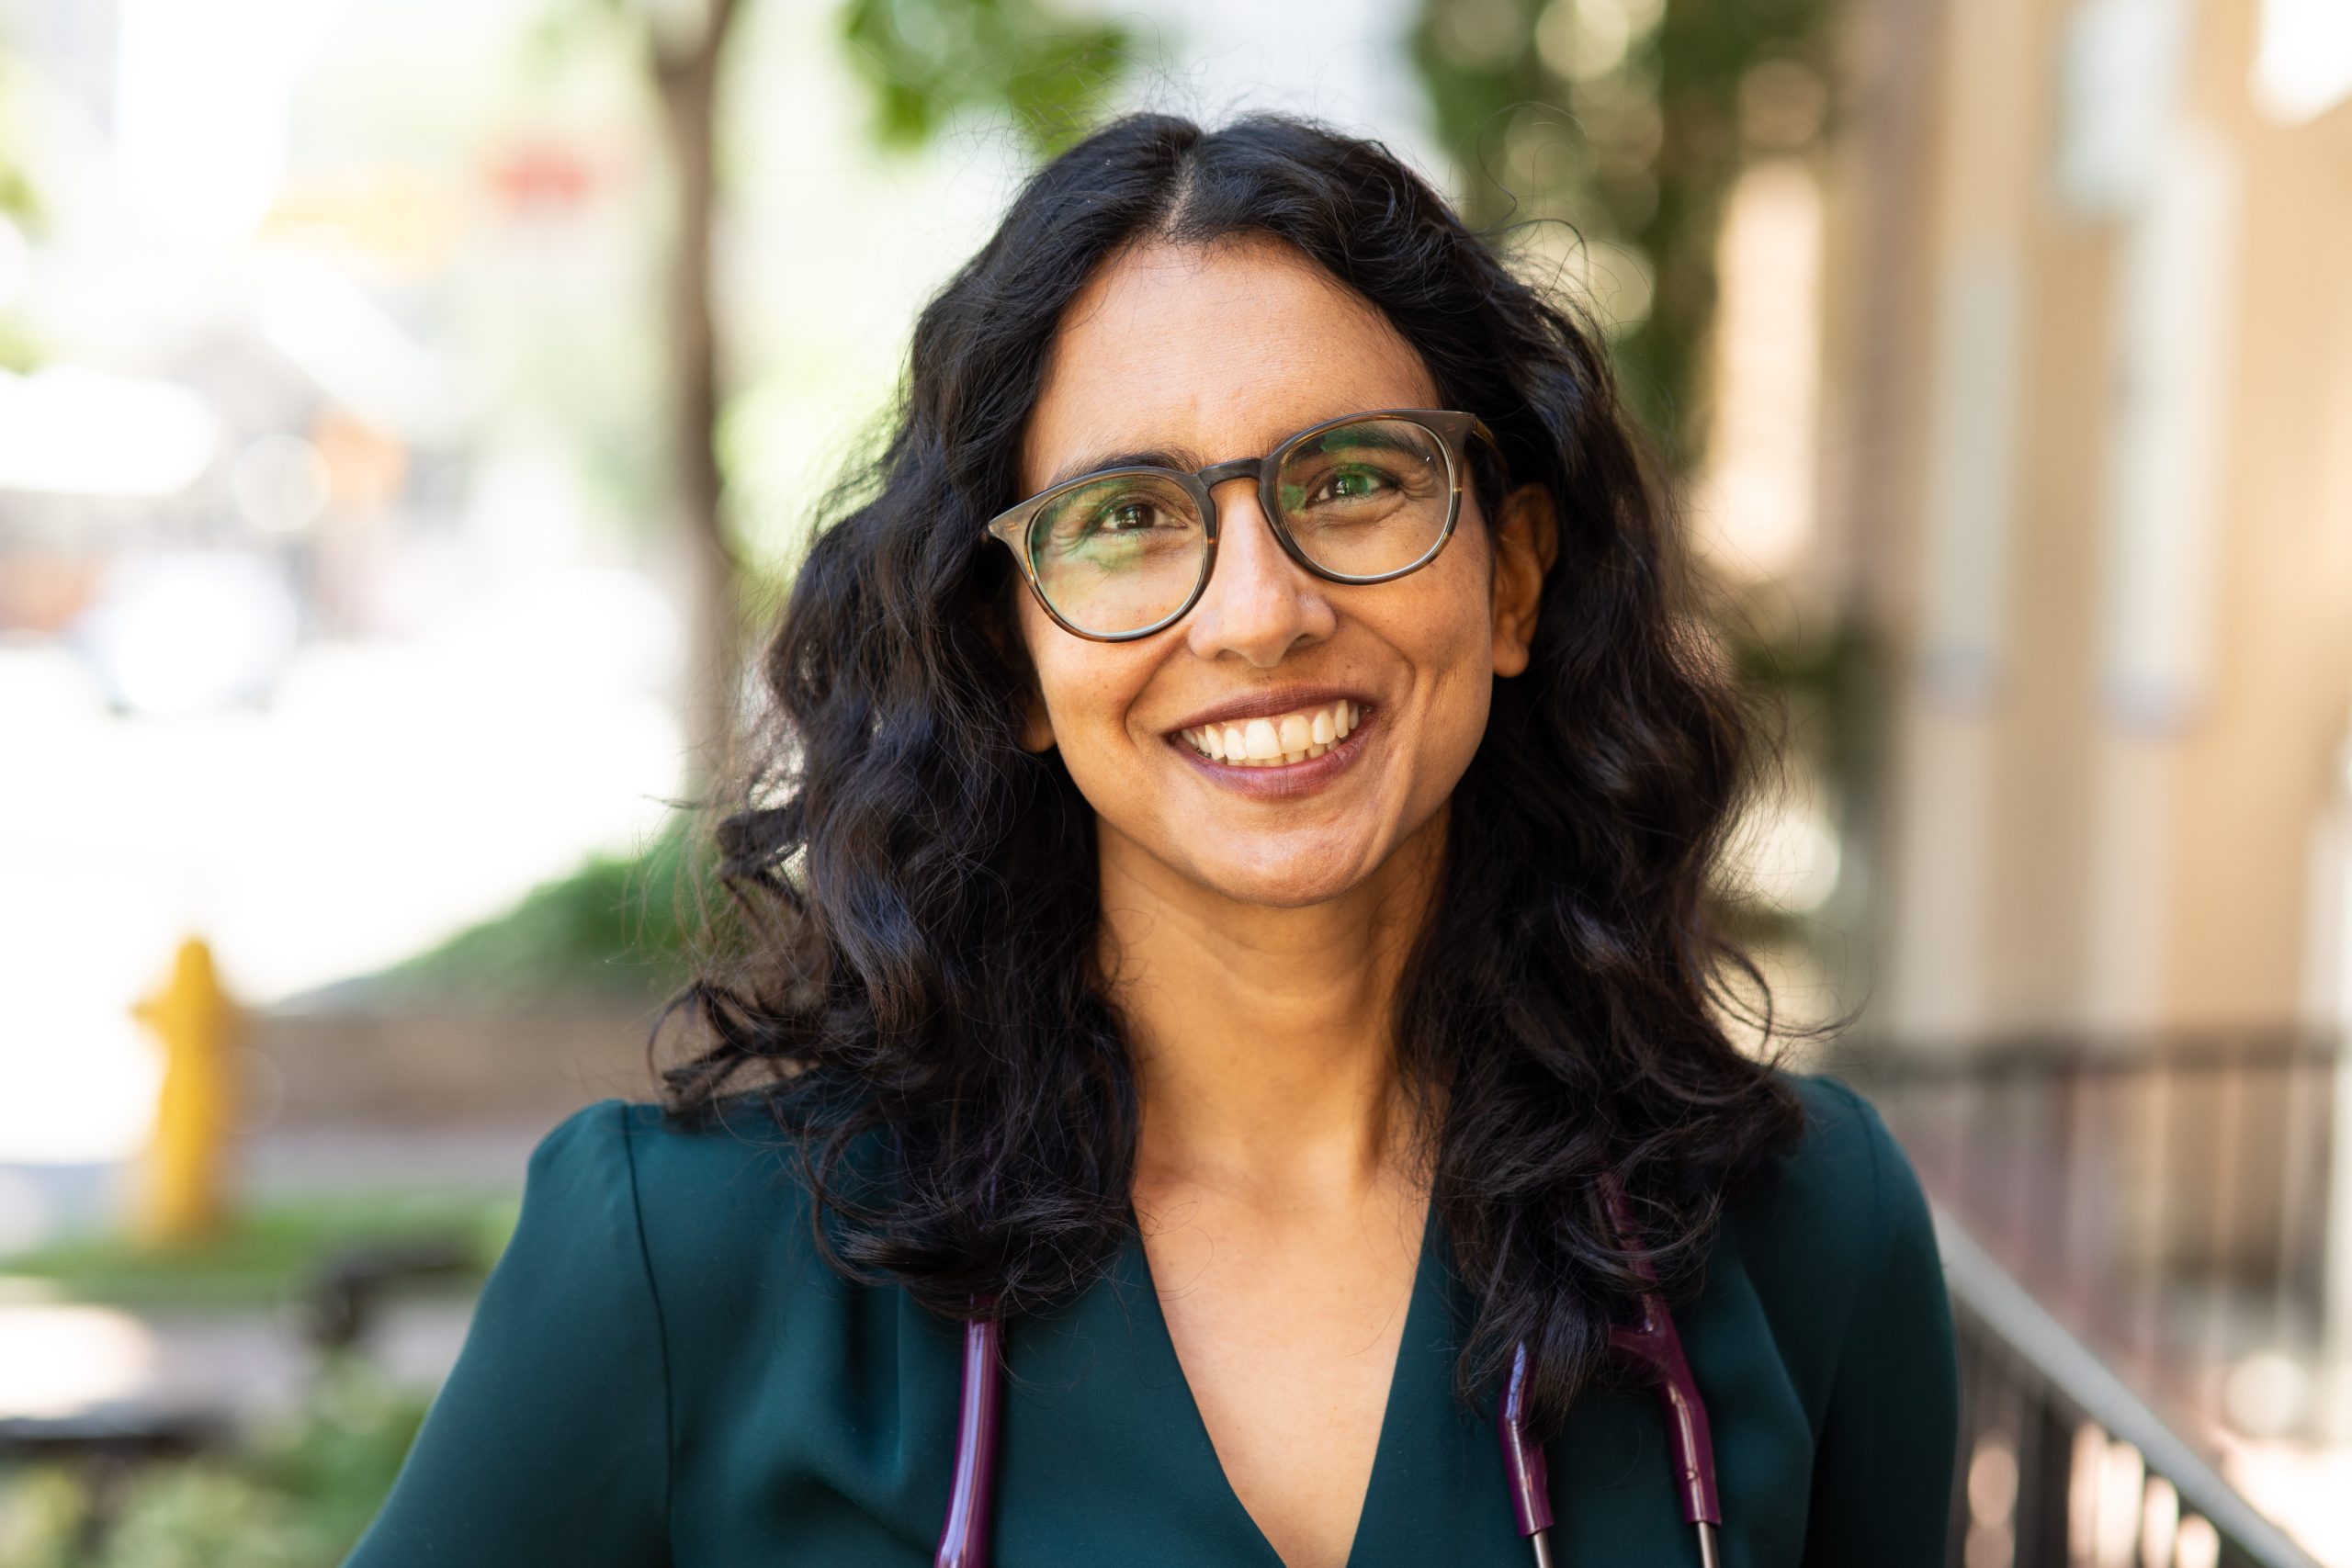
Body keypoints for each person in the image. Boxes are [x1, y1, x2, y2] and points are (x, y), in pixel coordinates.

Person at [345, 111, 1958, 1568]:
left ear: (1512, 578)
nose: (1261, 611)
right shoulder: (686, 1263)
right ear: (1011, 653)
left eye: (1353, 481)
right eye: (1126, 518)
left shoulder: (1804, 1237)